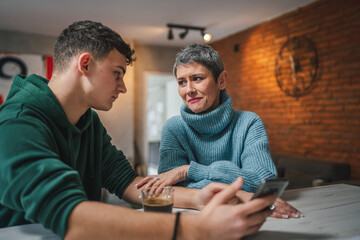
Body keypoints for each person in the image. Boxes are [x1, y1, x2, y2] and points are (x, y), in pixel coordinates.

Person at [0, 20, 280, 240]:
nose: (122, 87)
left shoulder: (88, 121)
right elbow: (72, 217)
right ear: (85, 64)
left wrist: (203, 198)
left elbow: (130, 184)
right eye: (117, 73)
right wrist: (194, 230)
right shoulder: (18, 122)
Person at [136, 43, 302, 219]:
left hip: (250, 219)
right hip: (193, 221)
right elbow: (171, 191)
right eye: (182, 82)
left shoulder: (249, 123)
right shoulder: (174, 128)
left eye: (197, 78)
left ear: (221, 80)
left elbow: (264, 185)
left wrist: (188, 171)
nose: (189, 90)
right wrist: (238, 188)